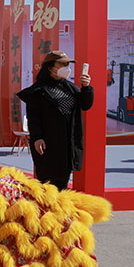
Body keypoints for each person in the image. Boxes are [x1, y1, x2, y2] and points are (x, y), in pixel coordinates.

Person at [16, 51, 93, 191]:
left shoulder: (72, 88)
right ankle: (46, 210)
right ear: (50, 67)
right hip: (48, 143)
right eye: (63, 64)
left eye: (68, 64)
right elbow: (33, 116)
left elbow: (86, 105)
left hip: (68, 143)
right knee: (47, 182)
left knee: (63, 181)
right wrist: (37, 137)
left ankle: (59, 210)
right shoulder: (38, 90)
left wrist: (86, 87)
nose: (67, 67)